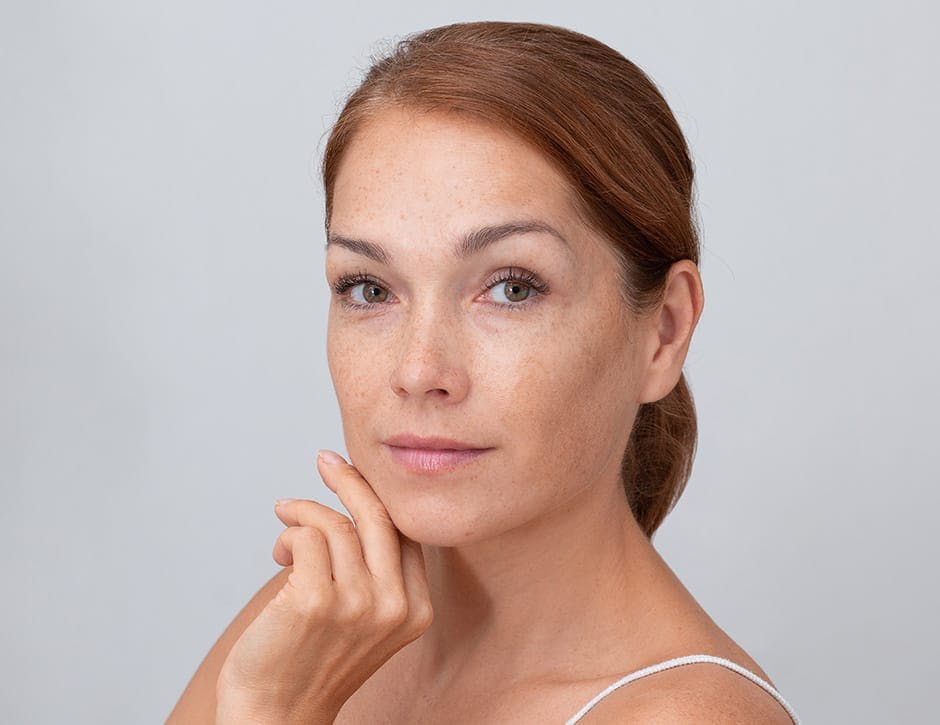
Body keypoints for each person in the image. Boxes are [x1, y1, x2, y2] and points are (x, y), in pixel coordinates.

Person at [169, 21, 800, 723]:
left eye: (512, 288)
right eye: (369, 288)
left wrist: (274, 710)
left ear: (665, 332)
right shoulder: (317, 630)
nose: (418, 370)